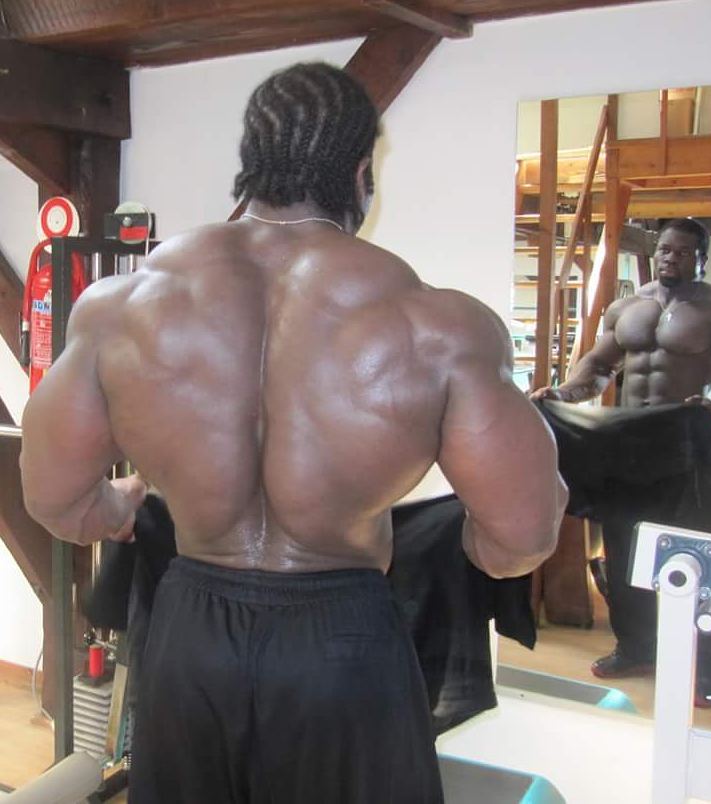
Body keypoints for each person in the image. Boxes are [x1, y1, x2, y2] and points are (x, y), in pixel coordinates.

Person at [20, 62, 567, 804]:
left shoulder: (118, 308)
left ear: (248, 167)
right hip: (342, 645)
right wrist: (450, 540)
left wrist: (122, 504)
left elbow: (58, 501)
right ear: (362, 174)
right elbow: (523, 536)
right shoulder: (440, 323)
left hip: (190, 640)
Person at [533, 217, 711, 705]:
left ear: (700, 258)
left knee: (699, 557)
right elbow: (599, 368)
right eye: (665, 249)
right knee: (624, 550)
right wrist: (564, 391)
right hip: (629, 442)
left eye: (682, 252)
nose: (670, 257)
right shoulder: (627, 307)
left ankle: (710, 666)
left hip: (685, 441)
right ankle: (636, 646)